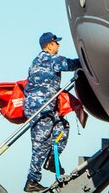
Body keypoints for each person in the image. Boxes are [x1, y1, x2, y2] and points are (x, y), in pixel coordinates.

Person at [23, 32, 81, 192]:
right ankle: (32, 180)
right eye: (56, 43)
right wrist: (88, 59)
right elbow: (71, 64)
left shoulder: (37, 61)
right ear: (49, 45)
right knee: (40, 144)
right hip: (40, 109)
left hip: (47, 109)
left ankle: (50, 160)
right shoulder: (50, 59)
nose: (58, 45)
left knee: (63, 127)